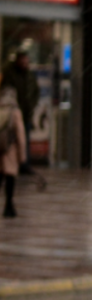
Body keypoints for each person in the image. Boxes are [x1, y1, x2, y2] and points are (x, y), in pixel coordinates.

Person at [0, 51, 37, 174]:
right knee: (9, 139)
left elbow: (35, 91)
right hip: (12, 112)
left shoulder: (29, 75)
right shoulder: (10, 73)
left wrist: (32, 105)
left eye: (26, 60)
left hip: (25, 113)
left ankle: (23, 163)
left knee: (23, 138)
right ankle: (14, 164)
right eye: (22, 60)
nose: (24, 63)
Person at [0, 87, 26, 218]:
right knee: (10, 177)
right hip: (10, 149)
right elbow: (20, 136)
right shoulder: (15, 111)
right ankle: (8, 205)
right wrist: (22, 158)